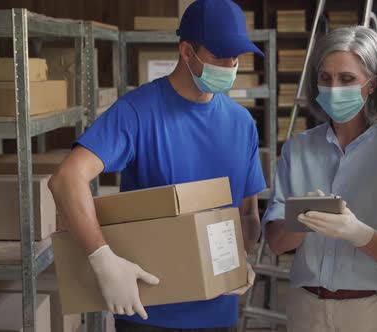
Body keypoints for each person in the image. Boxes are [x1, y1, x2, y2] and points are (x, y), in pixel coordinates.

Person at [48, 0, 266, 331]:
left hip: (219, 316)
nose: (230, 64)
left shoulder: (242, 123)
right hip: (149, 313)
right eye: (220, 54)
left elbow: (247, 214)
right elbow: (66, 180)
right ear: (186, 52)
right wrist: (102, 259)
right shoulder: (137, 112)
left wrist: (242, 259)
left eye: (236, 55)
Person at [262, 26, 377, 332]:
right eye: (325, 78)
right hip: (307, 309)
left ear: (372, 85)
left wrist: (358, 233)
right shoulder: (298, 149)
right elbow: (275, 242)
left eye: (347, 79)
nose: (334, 88)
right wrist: (299, 223)